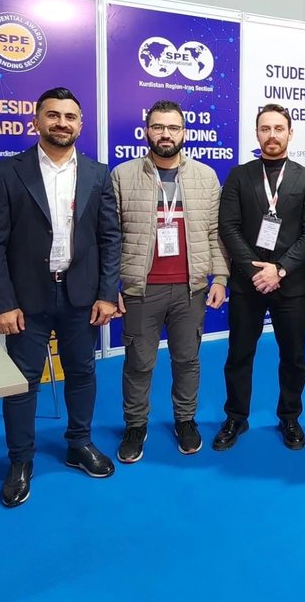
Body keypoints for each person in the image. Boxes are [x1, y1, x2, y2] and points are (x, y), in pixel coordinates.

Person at [0, 87, 121, 507]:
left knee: (81, 372)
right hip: (26, 300)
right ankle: (20, 460)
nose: (62, 123)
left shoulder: (98, 173)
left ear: (81, 124)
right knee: (23, 382)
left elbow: (109, 238)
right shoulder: (9, 171)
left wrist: (107, 294)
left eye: (70, 117)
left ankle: (79, 443)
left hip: (81, 296)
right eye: (53, 115)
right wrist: (3, 303)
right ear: (37, 121)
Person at [111, 100, 230, 463]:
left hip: (190, 290)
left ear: (184, 133)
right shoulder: (123, 175)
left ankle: (185, 419)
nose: (166, 134)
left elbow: (215, 233)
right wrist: (110, 287)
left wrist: (220, 277)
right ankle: (135, 426)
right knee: (138, 363)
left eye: (173, 128)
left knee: (187, 360)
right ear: (147, 131)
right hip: (140, 290)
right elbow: (110, 237)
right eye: (158, 127)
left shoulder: (205, 176)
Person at [213, 104, 305, 451]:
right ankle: (235, 416)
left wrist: (281, 269)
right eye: (265, 128)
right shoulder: (239, 176)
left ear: (290, 133)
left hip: (291, 284)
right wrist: (255, 270)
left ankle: (290, 417)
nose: (272, 135)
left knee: (294, 356)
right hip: (248, 284)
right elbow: (228, 227)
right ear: (257, 133)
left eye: (278, 128)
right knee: (239, 354)